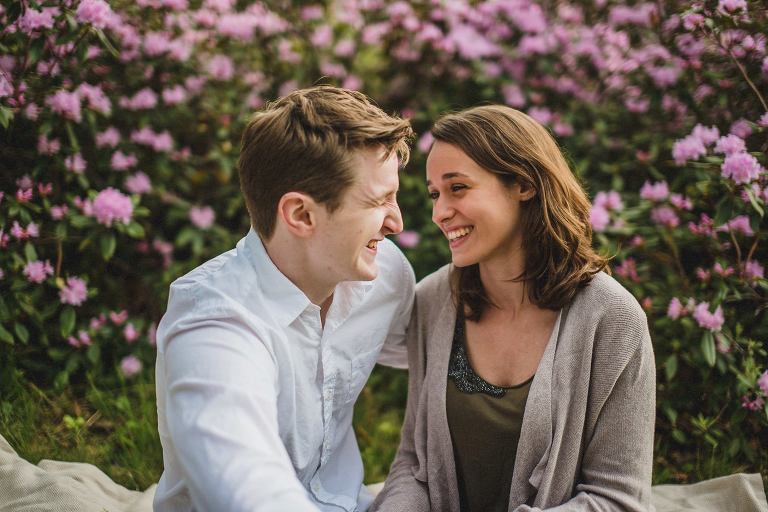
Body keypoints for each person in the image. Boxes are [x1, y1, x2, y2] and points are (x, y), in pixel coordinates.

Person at [372, 105, 655, 512]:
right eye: (435, 194)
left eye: (458, 188)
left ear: (523, 184)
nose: (439, 213)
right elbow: (415, 464)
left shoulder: (612, 319)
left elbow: (618, 499)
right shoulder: (433, 301)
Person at [153, 86, 415, 512]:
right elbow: (246, 487)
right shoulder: (215, 323)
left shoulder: (384, 273)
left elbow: (444, 350)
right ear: (301, 215)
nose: (397, 222)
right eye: (378, 200)